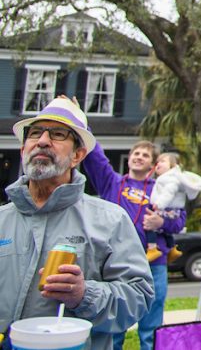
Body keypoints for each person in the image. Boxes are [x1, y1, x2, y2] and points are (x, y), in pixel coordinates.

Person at [1, 97, 154, 350]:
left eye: (58, 134)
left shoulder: (110, 221)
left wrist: (84, 295)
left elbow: (139, 297)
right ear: (23, 149)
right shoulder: (2, 220)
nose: (42, 141)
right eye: (35, 133)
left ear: (77, 155)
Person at [81, 139, 184, 350]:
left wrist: (161, 222)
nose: (138, 157)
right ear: (129, 158)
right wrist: (82, 123)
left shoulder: (162, 188)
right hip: (113, 263)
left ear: (153, 165)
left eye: (145, 155)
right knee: (111, 322)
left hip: (153, 264)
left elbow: (180, 219)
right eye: (136, 153)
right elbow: (94, 157)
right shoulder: (112, 183)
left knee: (151, 326)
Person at [144, 152, 201, 263]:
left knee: (150, 226)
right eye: (157, 161)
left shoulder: (169, 179)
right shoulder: (171, 178)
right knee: (165, 231)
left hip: (167, 209)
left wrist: (159, 204)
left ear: (172, 166)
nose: (158, 163)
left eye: (163, 161)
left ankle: (152, 248)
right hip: (172, 210)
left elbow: (168, 193)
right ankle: (172, 248)